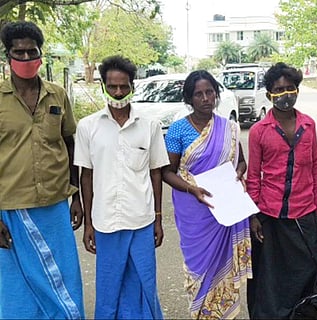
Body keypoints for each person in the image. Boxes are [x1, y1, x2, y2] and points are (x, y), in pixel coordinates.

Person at [0, 21, 84, 319]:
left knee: (63, 277)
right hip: (11, 209)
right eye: (18, 52)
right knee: (17, 287)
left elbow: (70, 144)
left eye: (30, 52)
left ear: (40, 54)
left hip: (54, 206)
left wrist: (76, 197)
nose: (25, 59)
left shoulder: (57, 95)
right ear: (7, 56)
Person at [74, 55, 169, 319]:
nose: (118, 93)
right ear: (103, 86)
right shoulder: (88, 127)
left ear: (132, 87)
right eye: (112, 86)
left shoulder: (149, 126)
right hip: (105, 223)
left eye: (124, 86)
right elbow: (86, 177)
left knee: (143, 283)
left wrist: (158, 220)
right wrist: (89, 225)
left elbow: (156, 174)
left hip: (142, 220)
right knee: (109, 287)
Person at [246, 62, 317, 319]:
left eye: (290, 88)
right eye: (278, 89)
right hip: (271, 215)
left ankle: (307, 312)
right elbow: (254, 176)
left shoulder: (308, 125)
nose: (285, 94)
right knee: (272, 277)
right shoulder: (258, 131)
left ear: (297, 90)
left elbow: (315, 166)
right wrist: (254, 216)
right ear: (268, 95)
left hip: (304, 212)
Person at [161, 70, 252, 319]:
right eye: (198, 94)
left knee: (223, 268)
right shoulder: (178, 130)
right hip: (194, 210)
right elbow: (167, 172)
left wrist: (237, 176)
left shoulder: (229, 128)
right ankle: (201, 312)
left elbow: (241, 162)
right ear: (189, 99)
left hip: (225, 208)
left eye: (209, 92)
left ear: (216, 94)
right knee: (198, 268)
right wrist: (192, 189)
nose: (205, 98)